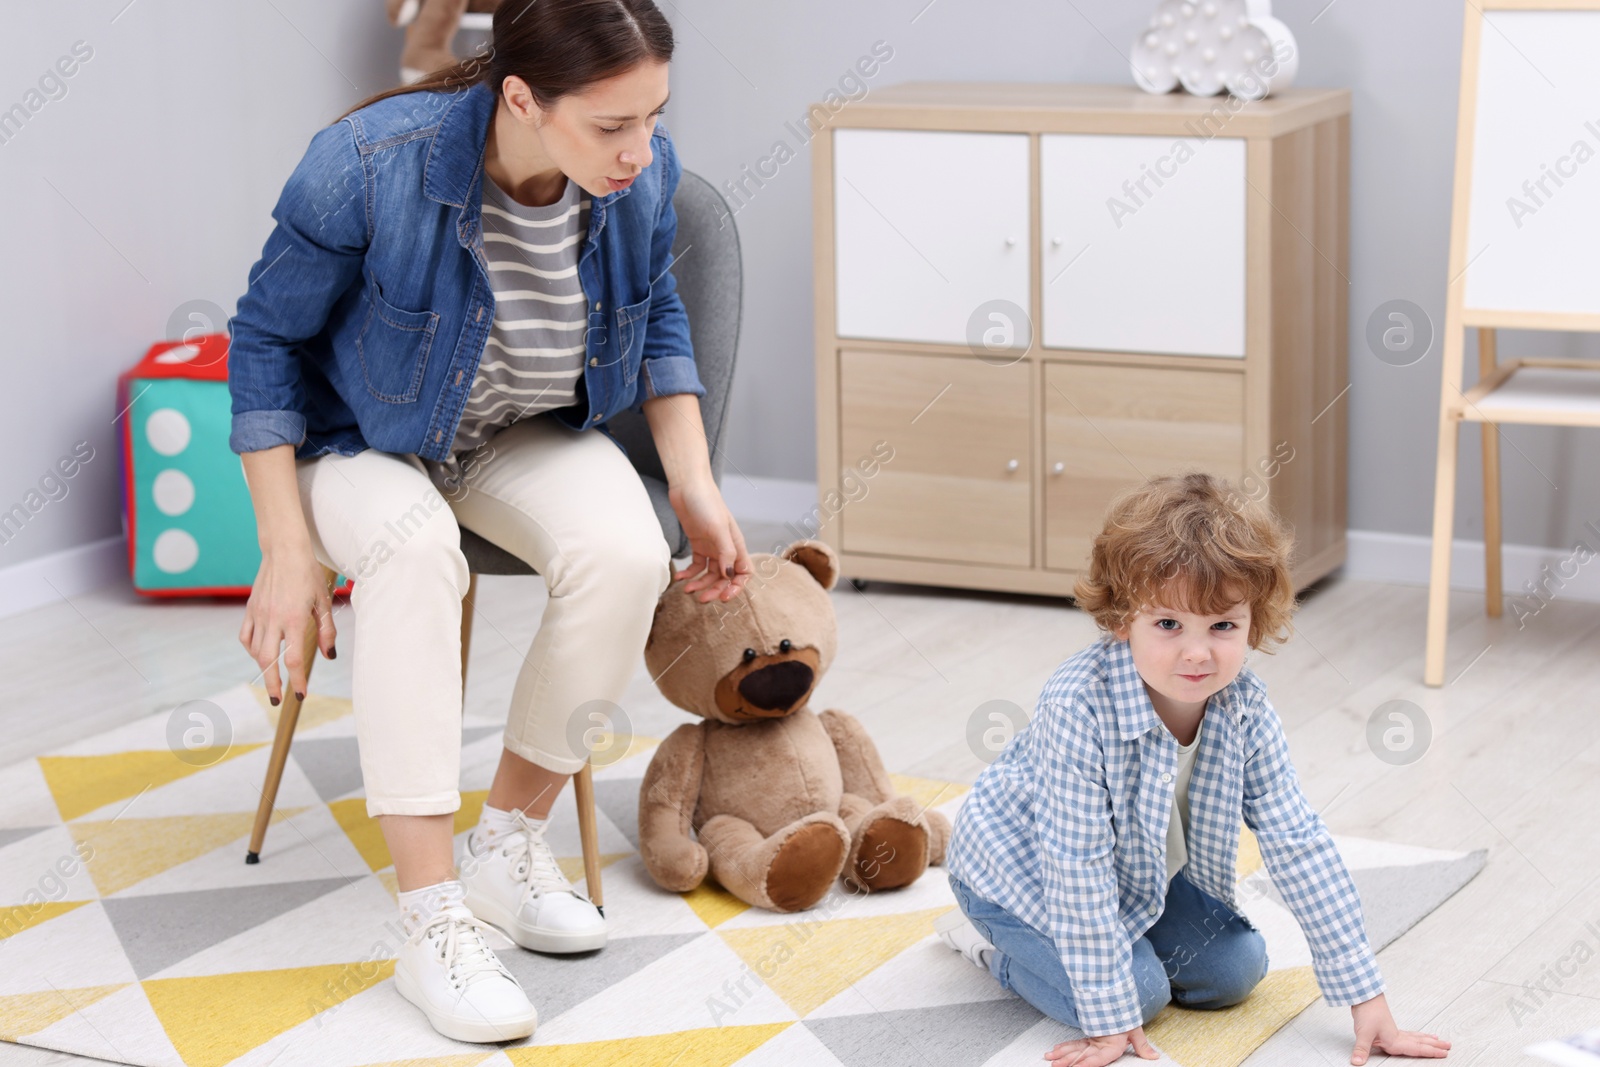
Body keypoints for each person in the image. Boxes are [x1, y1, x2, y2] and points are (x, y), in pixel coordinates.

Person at [226, 0, 753, 1044]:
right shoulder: (368, 162)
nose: (642, 151)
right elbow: (261, 346)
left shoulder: (636, 174)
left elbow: (655, 314)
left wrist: (691, 479)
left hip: (513, 428)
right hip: (362, 439)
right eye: (612, 125)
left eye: (652, 117)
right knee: (411, 549)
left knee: (624, 549)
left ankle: (505, 846)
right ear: (520, 97)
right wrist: (286, 548)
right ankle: (429, 922)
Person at [933, 473, 1451, 1066]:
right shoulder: (1076, 704)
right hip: (1020, 877)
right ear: (1123, 619)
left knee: (1233, 971)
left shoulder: (1245, 706)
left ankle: (1126, 952)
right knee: (1137, 996)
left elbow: (1298, 842)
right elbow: (1075, 867)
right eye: (1169, 625)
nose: (1198, 653)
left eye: (1223, 626)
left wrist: (1368, 999)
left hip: (1140, 872)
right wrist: (1108, 1019)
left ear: (1254, 621)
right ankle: (985, 943)